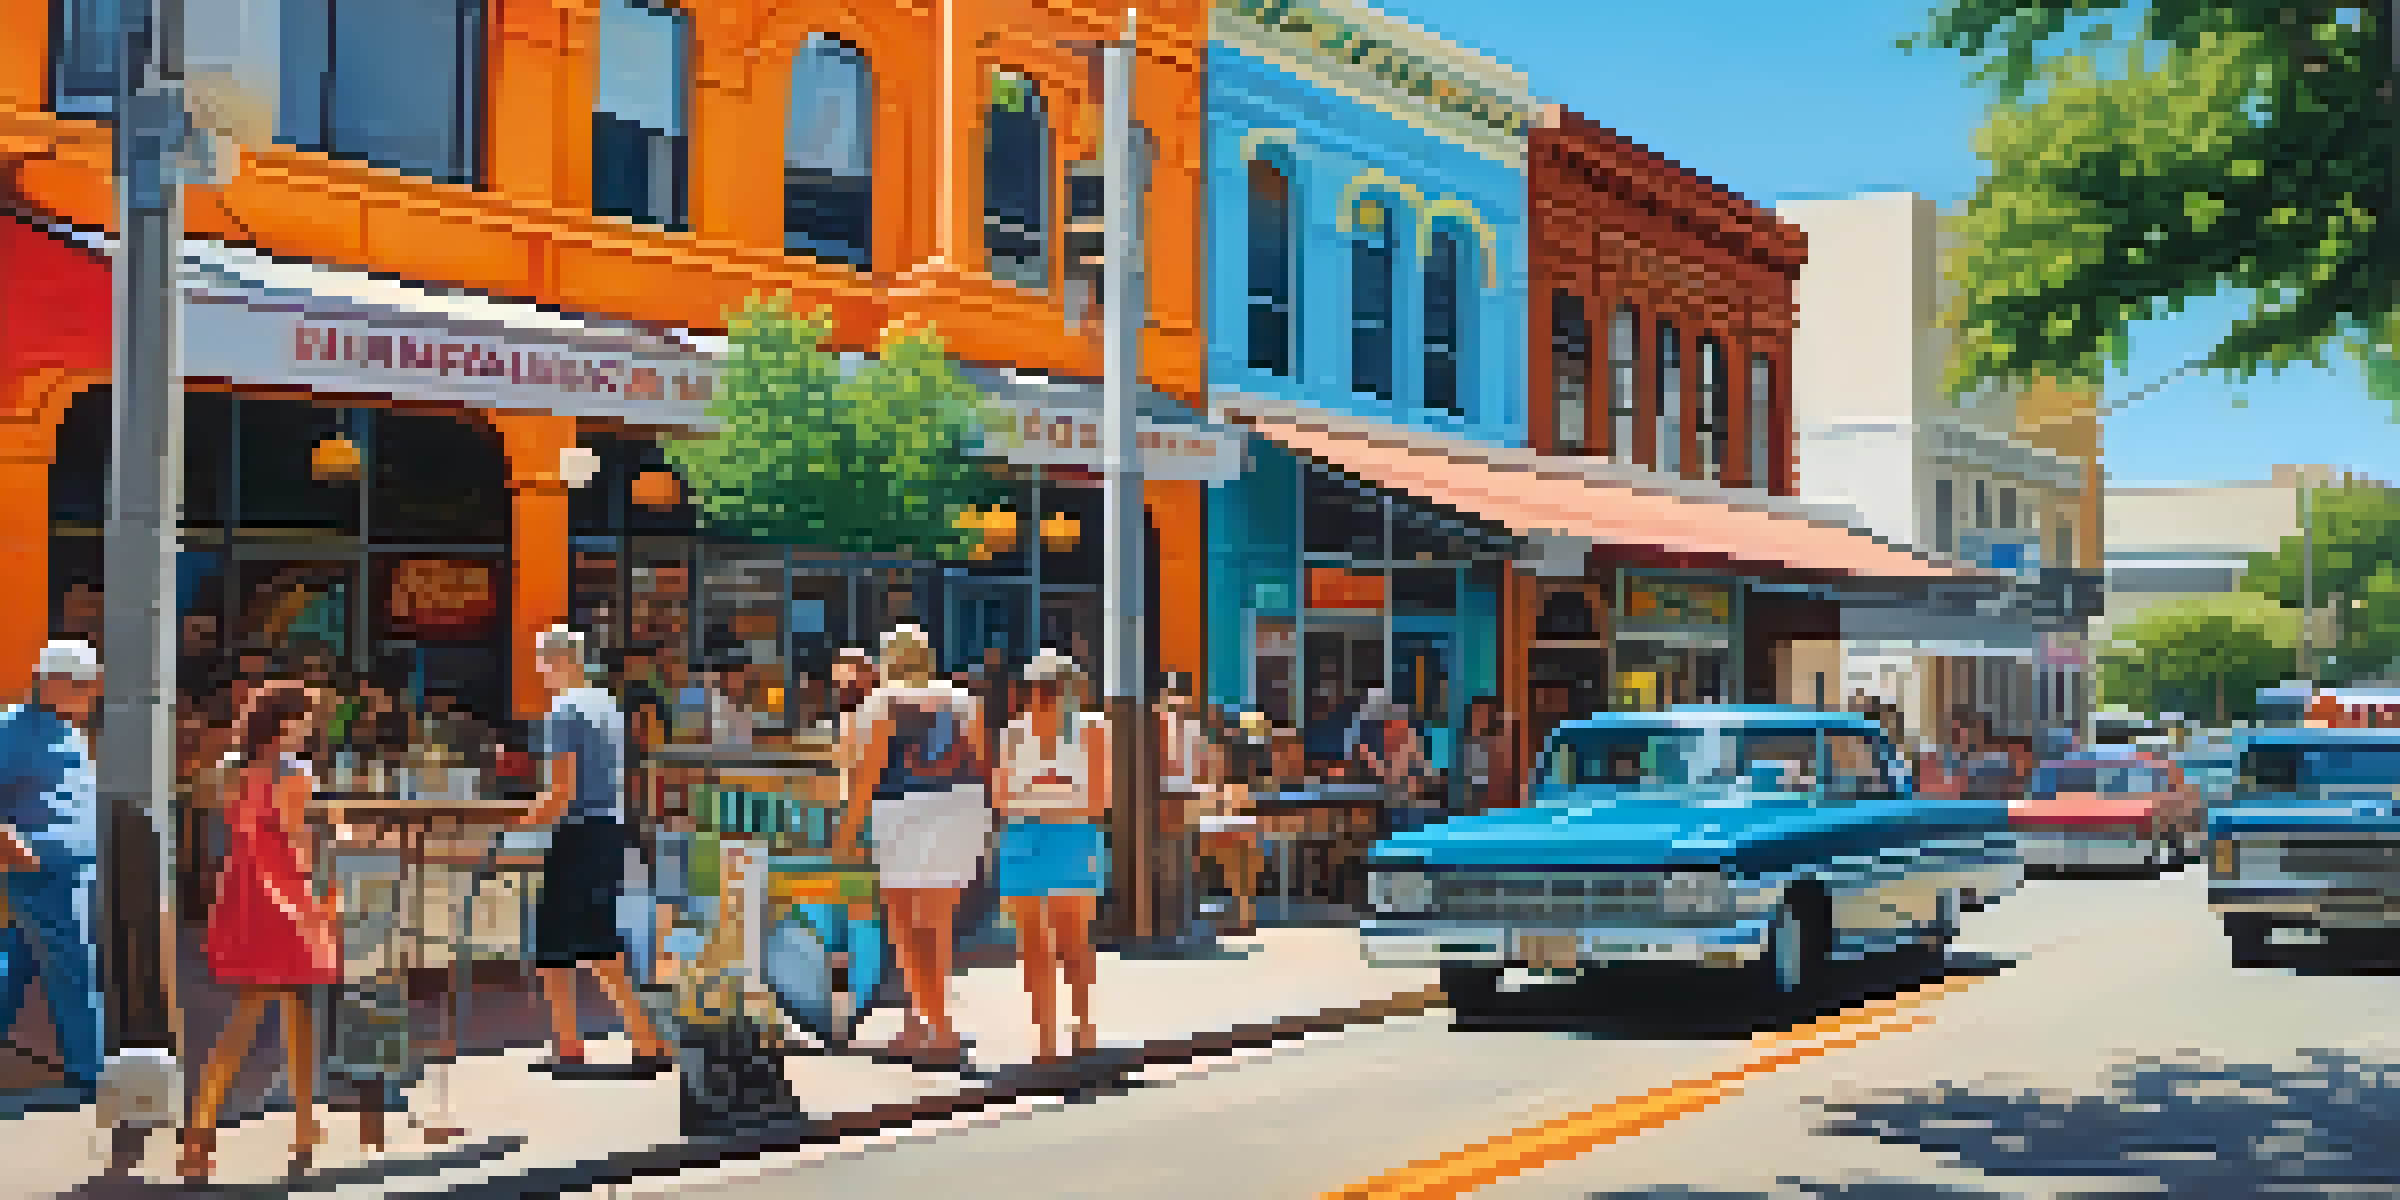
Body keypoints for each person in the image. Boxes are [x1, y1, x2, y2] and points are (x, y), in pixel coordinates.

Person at [180, 685, 340, 1180]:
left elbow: (236, 826)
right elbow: (298, 842)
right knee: (287, 1011)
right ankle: (208, 1133)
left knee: (265, 1012)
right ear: (284, 720)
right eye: (305, 717)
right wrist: (325, 890)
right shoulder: (296, 772)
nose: (310, 726)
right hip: (285, 896)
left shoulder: (232, 768)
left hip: (246, 893)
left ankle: (216, 1132)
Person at [515, 626, 672, 1074]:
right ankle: (642, 1038)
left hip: (577, 830)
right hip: (610, 829)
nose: (541, 673)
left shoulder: (562, 711)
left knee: (553, 945)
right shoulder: (608, 706)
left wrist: (515, 829)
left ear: (557, 661)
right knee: (599, 942)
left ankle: (570, 1043)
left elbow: (560, 791)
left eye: (543, 664)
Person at [834, 625, 990, 1070]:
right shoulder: (963, 699)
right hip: (961, 808)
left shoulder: (881, 702)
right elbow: (980, 761)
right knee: (937, 924)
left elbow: (865, 771)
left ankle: (931, 1027)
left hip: (903, 811)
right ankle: (926, 1022)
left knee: (905, 923)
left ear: (889, 661)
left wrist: (848, 831)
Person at [990, 650, 1112, 1064]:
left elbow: (1099, 800)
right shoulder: (1013, 733)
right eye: (1036, 688)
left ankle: (1082, 1022)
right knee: (1032, 945)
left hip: (1073, 839)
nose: (1042, 697)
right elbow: (1001, 800)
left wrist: (1040, 797)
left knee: (1073, 940)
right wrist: (1056, 794)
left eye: (1052, 688)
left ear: (1070, 691)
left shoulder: (1093, 729)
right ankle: (1044, 1035)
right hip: (1024, 839)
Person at [0, 641, 106, 1106]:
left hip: (71, 870)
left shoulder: (70, 729)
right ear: (53, 684)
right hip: (45, 874)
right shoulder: (9, 729)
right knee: (76, 968)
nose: (93, 695)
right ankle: (94, 1075)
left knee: (17, 964)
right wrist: (13, 848)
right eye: (85, 687)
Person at [1196, 711, 1269, 936]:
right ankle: (1241, 916)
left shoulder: (1228, 782)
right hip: (1228, 822)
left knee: (1239, 869)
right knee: (1240, 870)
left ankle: (1241, 916)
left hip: (1228, 824)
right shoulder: (1234, 783)